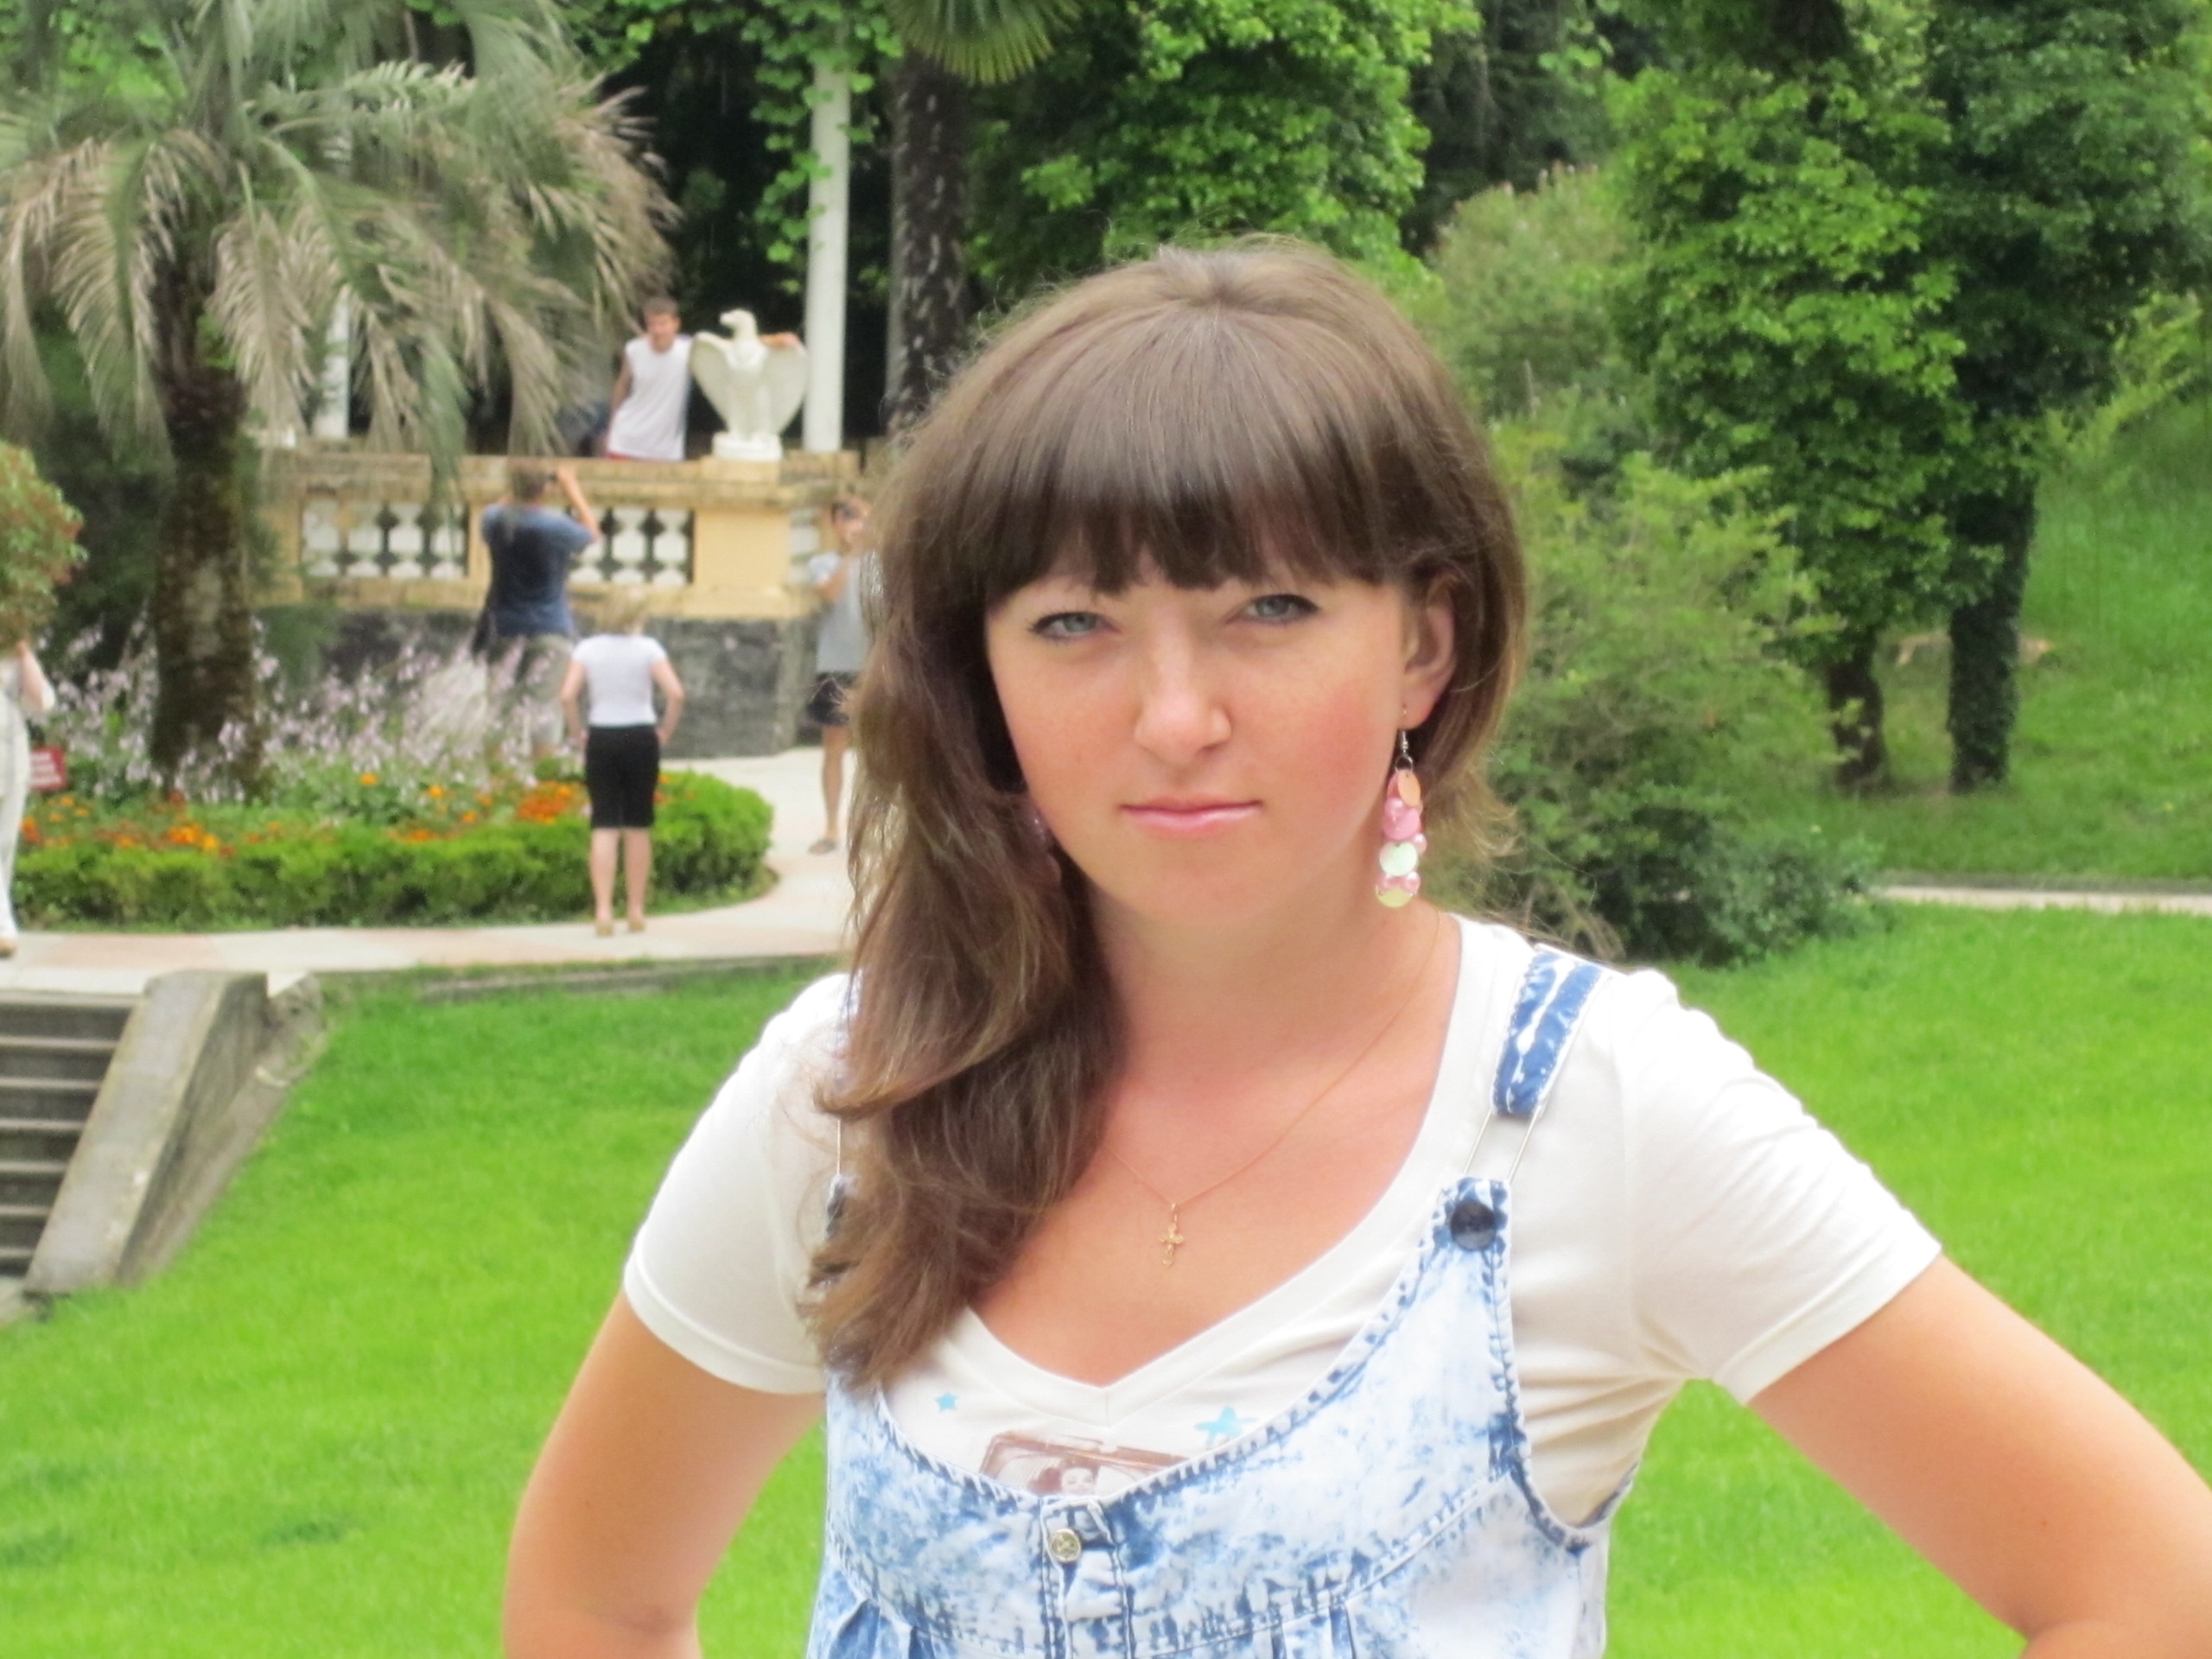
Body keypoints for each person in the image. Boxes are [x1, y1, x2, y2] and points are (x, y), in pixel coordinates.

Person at [506, 247, 2212, 1658]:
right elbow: (594, 1598)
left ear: (1424, 644)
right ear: (984, 674)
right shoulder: (852, 1092)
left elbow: (2150, 1586)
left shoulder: (1590, 1111)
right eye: (1075, 623)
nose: (1175, 716)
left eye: (1268, 610)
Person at [560, 592, 685, 938]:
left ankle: (603, 910)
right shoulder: (648, 649)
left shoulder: (587, 649)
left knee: (604, 823)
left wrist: (576, 731)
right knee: (638, 824)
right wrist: (665, 730)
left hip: (602, 734)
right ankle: (635, 909)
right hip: (641, 734)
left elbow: (567, 695)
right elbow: (676, 693)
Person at [480, 462, 600, 760]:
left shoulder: (494, 520)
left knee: (499, 707)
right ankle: (544, 778)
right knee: (544, 711)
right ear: (545, 489)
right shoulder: (556, 528)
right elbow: (592, 533)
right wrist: (571, 488)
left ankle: (496, 776)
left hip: (504, 626)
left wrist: (518, 488)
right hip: (550, 627)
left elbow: (500, 506)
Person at [804, 494, 871, 855]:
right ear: (834, 524)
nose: (853, 523)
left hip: (875, 669)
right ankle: (832, 827)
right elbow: (830, 595)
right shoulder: (822, 563)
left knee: (879, 753)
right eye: (846, 516)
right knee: (834, 749)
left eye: (858, 515)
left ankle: (872, 828)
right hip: (835, 667)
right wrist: (850, 556)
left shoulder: (883, 564)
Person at [0, 638, 54, 958]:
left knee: (5, 844)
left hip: (11, 759)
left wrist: (23, 651)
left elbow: (42, 701)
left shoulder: (14, 655)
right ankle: (3, 926)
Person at [603, 297, 695, 463]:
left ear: (676, 324)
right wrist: (612, 426)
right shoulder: (634, 349)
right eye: (652, 324)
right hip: (625, 440)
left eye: (663, 324)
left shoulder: (689, 351)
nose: (657, 330)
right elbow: (622, 385)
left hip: (666, 447)